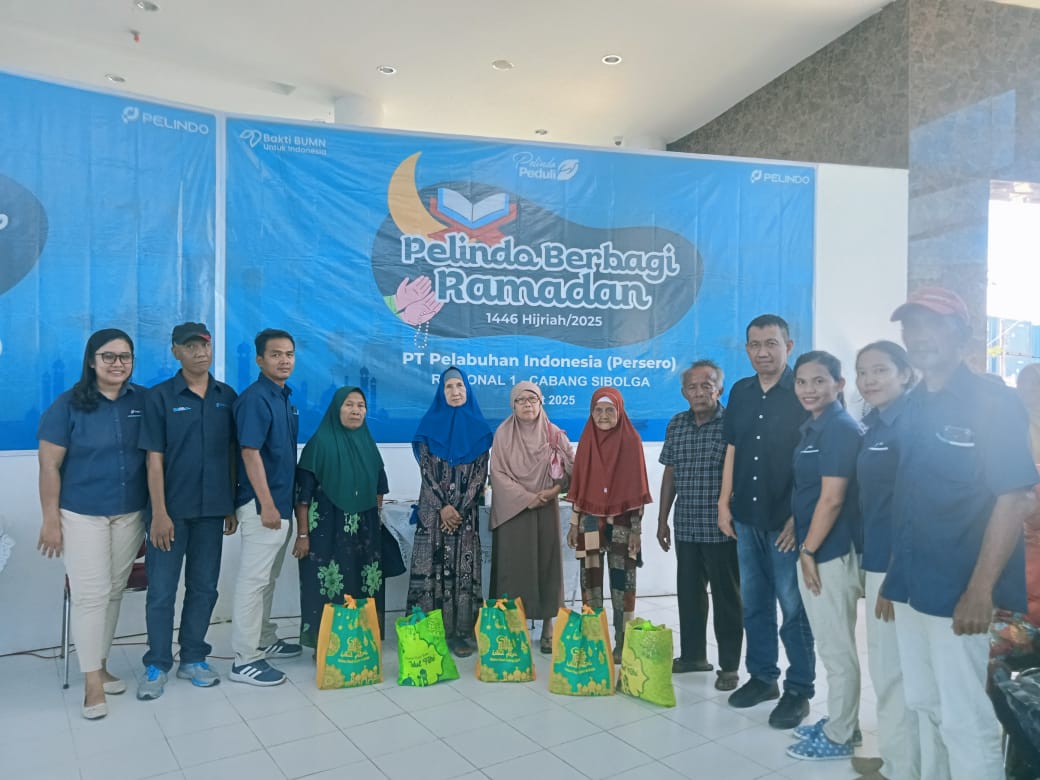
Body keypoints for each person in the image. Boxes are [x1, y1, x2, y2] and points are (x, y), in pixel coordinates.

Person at [886, 287, 1037, 780]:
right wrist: (894, 580)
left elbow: (1013, 498)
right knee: (925, 702)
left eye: (934, 324)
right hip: (911, 588)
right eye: (911, 326)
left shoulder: (993, 403)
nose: (920, 336)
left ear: (963, 335)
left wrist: (980, 590)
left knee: (965, 718)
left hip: (960, 593)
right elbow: (910, 500)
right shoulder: (913, 404)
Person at [36, 328, 147, 719]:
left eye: (125, 356)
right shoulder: (68, 405)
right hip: (81, 513)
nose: (118, 363)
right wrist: (50, 520)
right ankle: (92, 684)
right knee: (90, 595)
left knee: (114, 591)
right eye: (108, 356)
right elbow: (49, 466)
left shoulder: (143, 400)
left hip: (130, 512)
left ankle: (99, 665)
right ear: (91, 361)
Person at [718, 314, 814, 729]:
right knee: (754, 603)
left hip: (785, 521)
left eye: (771, 343)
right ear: (746, 349)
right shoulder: (740, 392)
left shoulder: (804, 392)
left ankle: (799, 688)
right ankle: (762, 677)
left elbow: (816, 461)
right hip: (746, 517)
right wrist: (723, 502)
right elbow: (732, 449)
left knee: (793, 608)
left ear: (788, 346)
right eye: (755, 345)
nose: (763, 352)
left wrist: (798, 515)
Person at [135, 323, 238, 700]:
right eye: (190, 346)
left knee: (204, 587)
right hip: (170, 512)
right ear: (175, 351)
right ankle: (157, 663)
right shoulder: (160, 397)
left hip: (212, 510)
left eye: (205, 346)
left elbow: (232, 452)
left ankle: (194, 657)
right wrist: (159, 513)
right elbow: (153, 459)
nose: (200, 353)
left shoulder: (226, 396)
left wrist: (230, 504)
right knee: (162, 591)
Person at [785, 351, 864, 761]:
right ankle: (841, 721)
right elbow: (810, 491)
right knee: (831, 643)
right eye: (802, 381)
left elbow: (832, 499)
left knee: (836, 649)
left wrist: (808, 550)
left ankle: (840, 735)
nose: (809, 389)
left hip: (829, 551)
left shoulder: (839, 429)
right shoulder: (815, 426)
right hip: (816, 545)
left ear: (839, 384)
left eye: (819, 381)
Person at [854, 340, 920, 779]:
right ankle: (899, 758)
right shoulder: (875, 424)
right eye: (863, 372)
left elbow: (913, 505)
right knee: (888, 666)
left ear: (905, 374)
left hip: (897, 567)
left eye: (880, 370)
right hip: (877, 558)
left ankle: (903, 769)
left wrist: (894, 575)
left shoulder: (909, 425)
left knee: (895, 670)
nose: (869, 380)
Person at [657, 360, 743, 691]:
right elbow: (670, 473)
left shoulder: (733, 425)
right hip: (686, 527)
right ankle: (693, 656)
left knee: (727, 599)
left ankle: (729, 666)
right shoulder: (676, 424)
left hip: (722, 529)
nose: (699, 392)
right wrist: (662, 519)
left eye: (706, 385)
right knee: (689, 595)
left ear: (719, 390)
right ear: (683, 392)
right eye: (692, 387)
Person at [229, 328, 301, 686]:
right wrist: (267, 505)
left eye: (289, 354)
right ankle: (245, 659)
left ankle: (263, 637)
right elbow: (249, 452)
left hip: (280, 505)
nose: (283, 360)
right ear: (260, 360)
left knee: (267, 579)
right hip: (264, 507)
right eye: (275, 354)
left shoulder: (283, 397)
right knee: (253, 582)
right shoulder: (256, 399)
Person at [293, 386, 389, 650]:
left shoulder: (368, 445)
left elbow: (380, 488)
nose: (356, 410)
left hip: (364, 535)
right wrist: (303, 534)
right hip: (326, 534)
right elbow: (302, 497)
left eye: (361, 405)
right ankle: (327, 645)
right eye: (349, 404)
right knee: (327, 588)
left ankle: (361, 643)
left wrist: (374, 523)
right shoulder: (318, 445)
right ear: (336, 409)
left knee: (362, 586)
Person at [407, 367, 492, 658]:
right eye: (449, 387)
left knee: (462, 570)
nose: (455, 391)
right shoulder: (428, 426)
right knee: (431, 569)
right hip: (433, 515)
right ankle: (427, 631)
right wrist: (443, 507)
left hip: (464, 518)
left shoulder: (480, 430)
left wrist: (459, 509)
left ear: (467, 390)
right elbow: (426, 472)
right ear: (441, 393)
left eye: (460, 386)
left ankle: (459, 632)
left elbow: (480, 476)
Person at [566, 387, 652, 662]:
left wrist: (637, 531)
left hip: (623, 523)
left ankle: (622, 643)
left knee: (622, 585)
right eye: (598, 410)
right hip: (590, 521)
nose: (603, 416)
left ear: (620, 411)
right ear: (591, 413)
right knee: (590, 584)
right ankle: (594, 642)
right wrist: (573, 524)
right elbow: (579, 487)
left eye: (610, 410)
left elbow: (638, 490)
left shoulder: (631, 441)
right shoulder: (587, 439)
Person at [489, 381, 574, 654]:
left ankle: (548, 627)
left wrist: (553, 491)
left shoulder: (554, 434)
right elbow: (497, 473)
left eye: (532, 399)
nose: (527, 405)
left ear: (541, 403)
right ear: (512, 405)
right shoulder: (503, 434)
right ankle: (513, 628)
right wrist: (527, 498)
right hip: (513, 510)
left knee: (547, 567)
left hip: (546, 507)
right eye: (521, 400)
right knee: (513, 569)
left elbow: (572, 470)